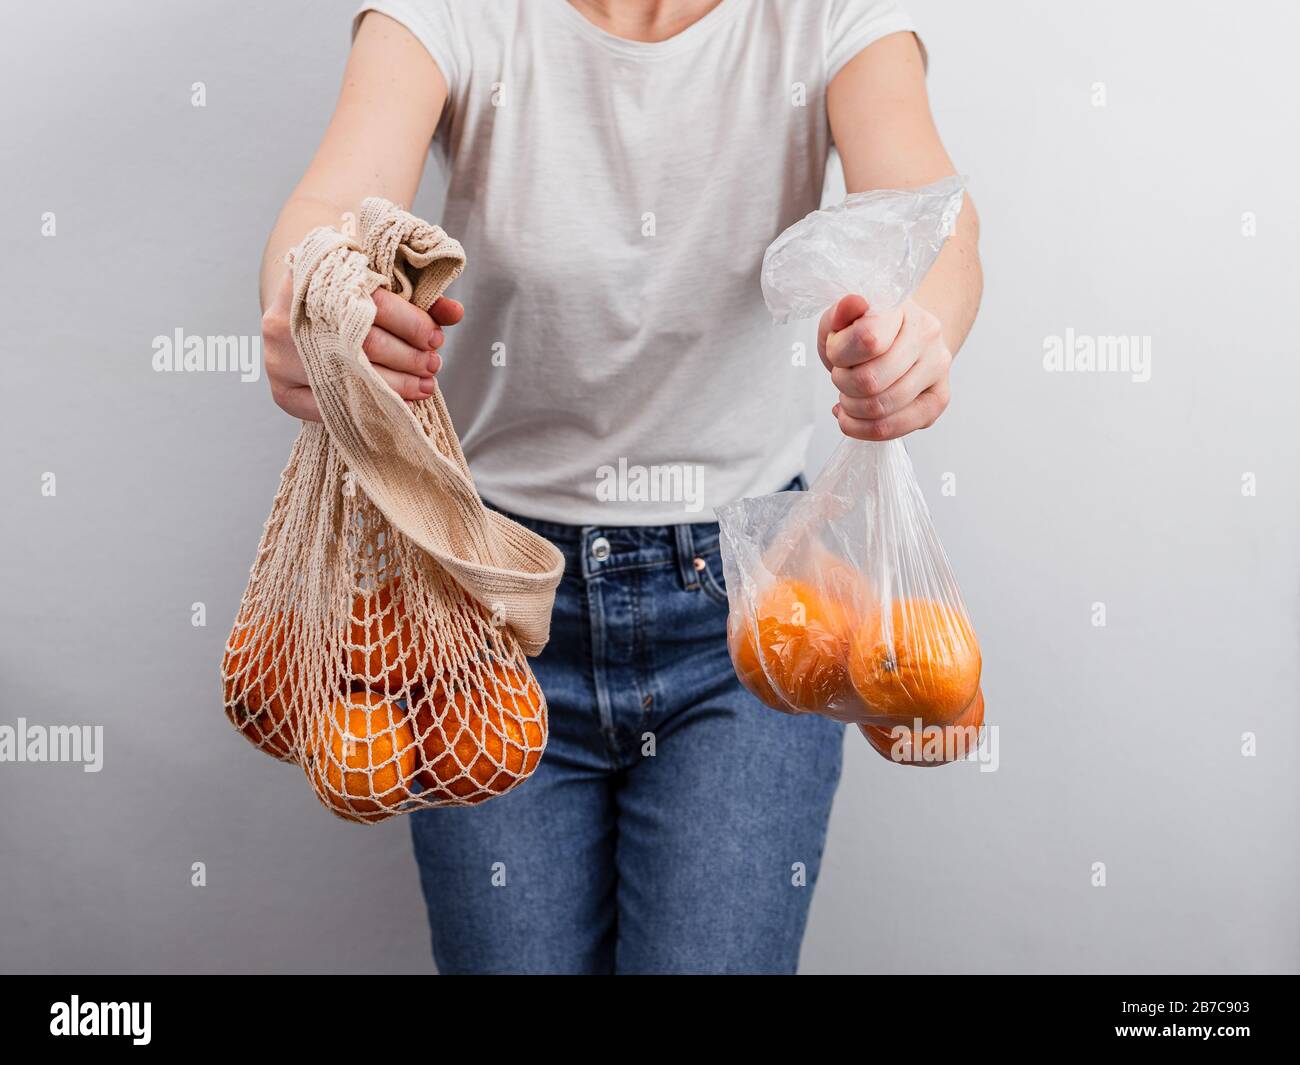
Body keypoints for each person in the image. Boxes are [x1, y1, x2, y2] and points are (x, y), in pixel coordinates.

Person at [259, 0, 982, 974]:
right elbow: (331, 206)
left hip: (756, 618)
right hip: (486, 618)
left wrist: (915, 334)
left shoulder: (825, 15)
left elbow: (933, 217)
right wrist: (315, 303)